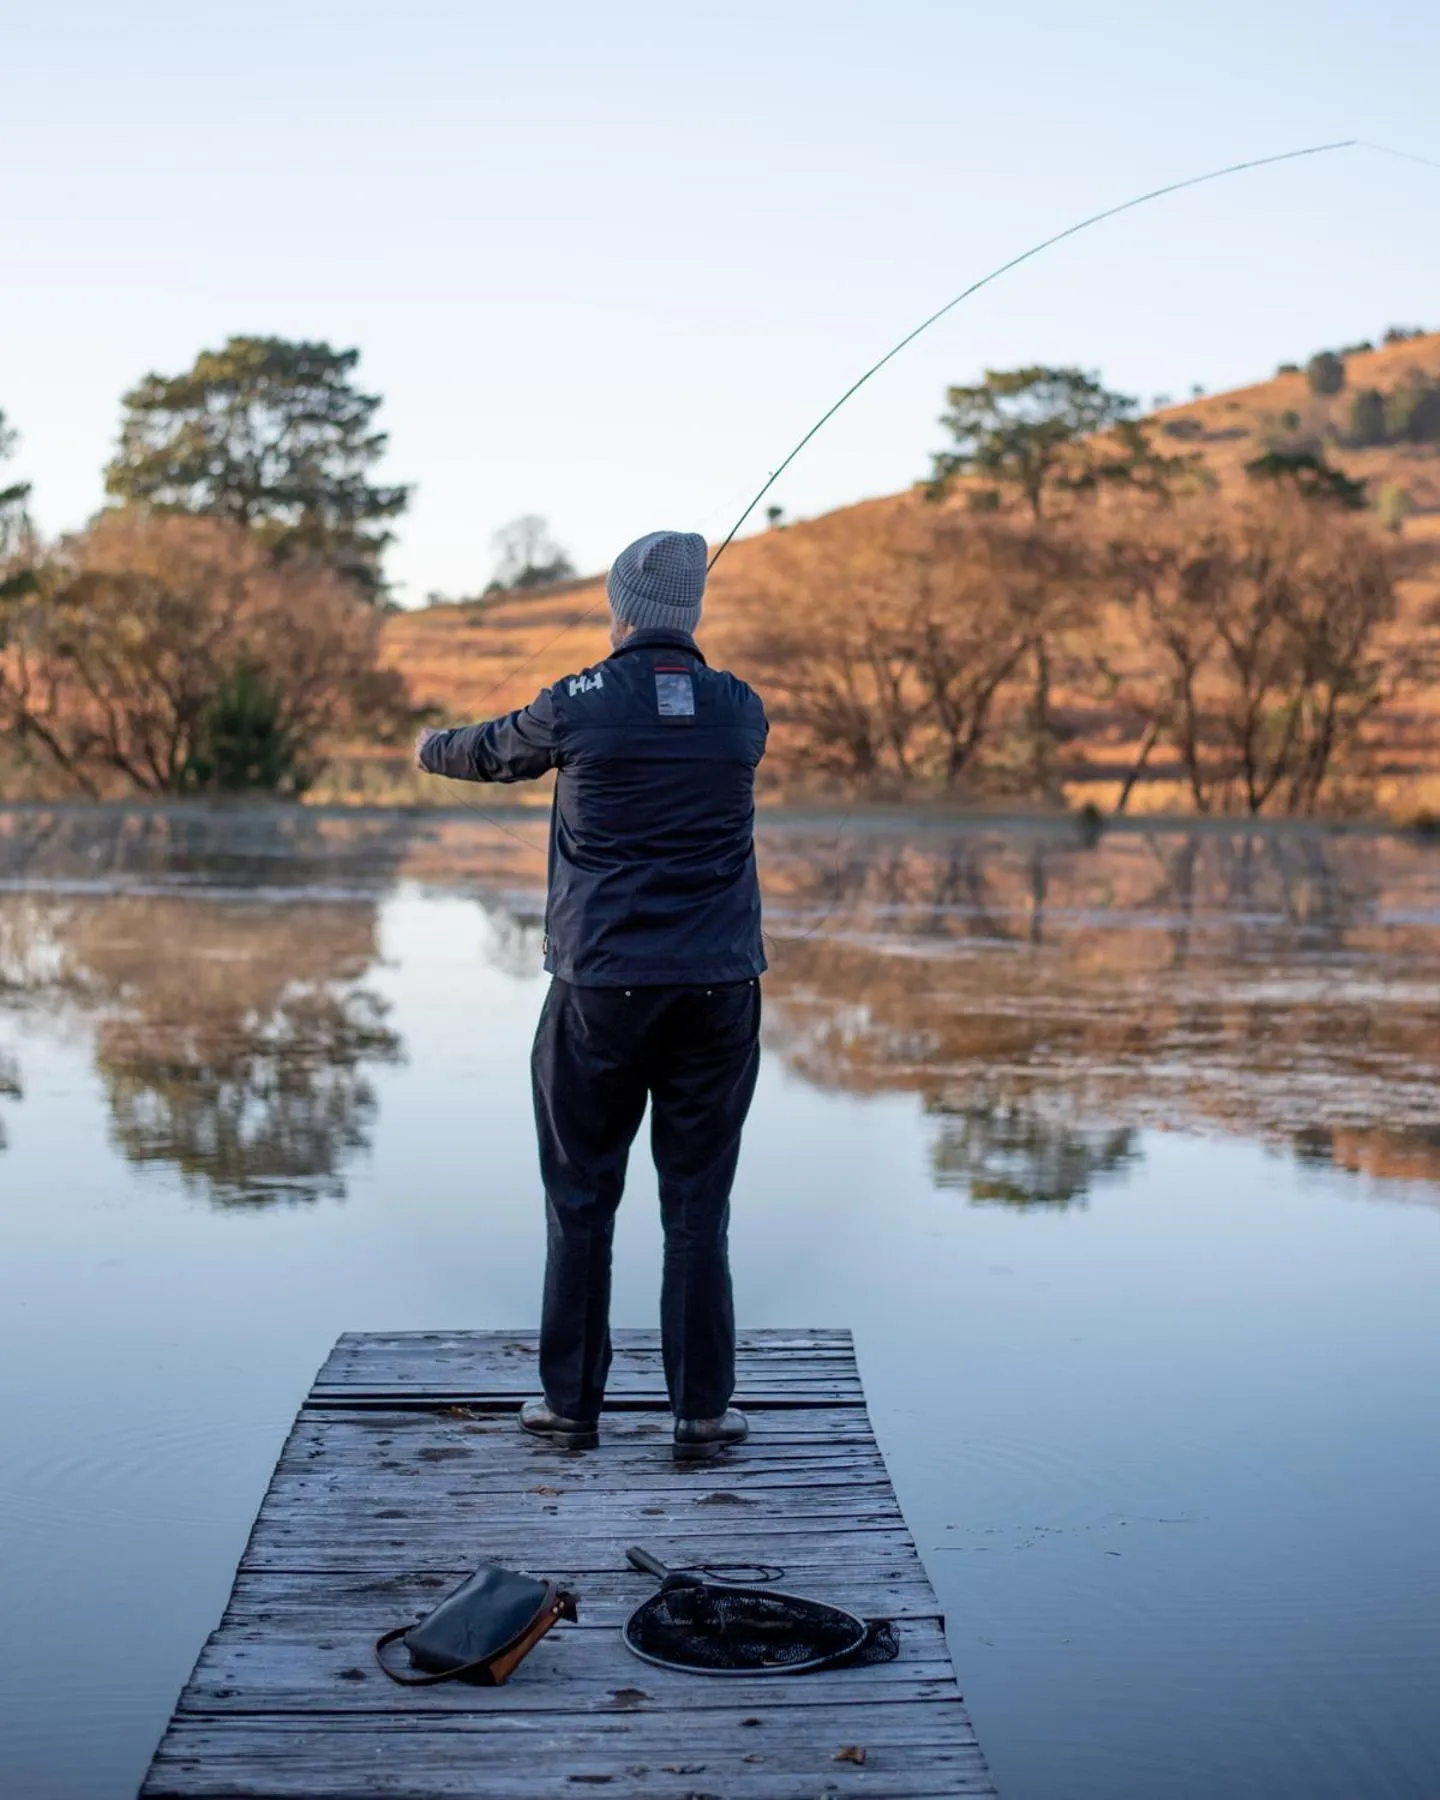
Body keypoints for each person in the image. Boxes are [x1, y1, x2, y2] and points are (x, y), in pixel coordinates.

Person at [415, 530, 767, 1461]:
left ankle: (572, 1409)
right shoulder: (742, 711)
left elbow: (487, 752)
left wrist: (428, 745)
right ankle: (699, 1413)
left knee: (580, 1195)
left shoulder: (578, 703)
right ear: (689, 613)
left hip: (600, 990)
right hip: (719, 990)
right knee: (698, 1205)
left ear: (622, 607)